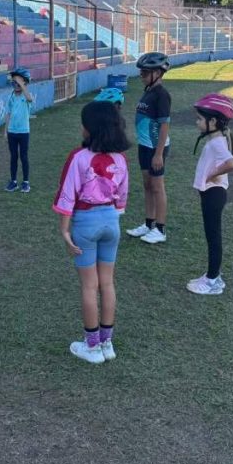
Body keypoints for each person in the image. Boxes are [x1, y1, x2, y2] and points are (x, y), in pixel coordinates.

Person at [54, 100, 130, 364]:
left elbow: (67, 194)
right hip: (111, 222)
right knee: (107, 283)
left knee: (89, 285)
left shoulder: (78, 157)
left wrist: (64, 230)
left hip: (86, 223)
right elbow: (122, 195)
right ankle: (107, 343)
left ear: (90, 128)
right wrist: (112, 215)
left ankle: (92, 346)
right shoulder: (121, 159)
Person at [187, 93, 233, 295]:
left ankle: (212, 280)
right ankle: (213, 276)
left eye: (200, 119)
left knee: (213, 237)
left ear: (213, 122)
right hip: (211, 193)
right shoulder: (219, 137)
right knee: (212, 235)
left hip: (213, 194)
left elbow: (232, 164)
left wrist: (212, 174)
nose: (197, 122)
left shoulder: (217, 142)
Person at [126, 52, 172, 245]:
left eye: (145, 73)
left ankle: (160, 229)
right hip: (144, 146)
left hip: (155, 148)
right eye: (141, 72)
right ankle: (148, 223)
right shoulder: (149, 91)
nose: (141, 76)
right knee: (147, 185)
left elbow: (164, 125)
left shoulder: (162, 95)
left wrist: (159, 154)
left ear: (157, 73)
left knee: (157, 187)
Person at [2, 67, 35, 193]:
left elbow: (30, 99)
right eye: (14, 82)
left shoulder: (26, 96)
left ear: (25, 83)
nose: (16, 85)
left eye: (19, 82)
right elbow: (8, 114)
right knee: (13, 157)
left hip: (23, 132)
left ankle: (26, 182)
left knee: (24, 156)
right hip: (12, 132)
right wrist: (5, 131)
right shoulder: (11, 96)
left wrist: (22, 84)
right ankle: (13, 181)